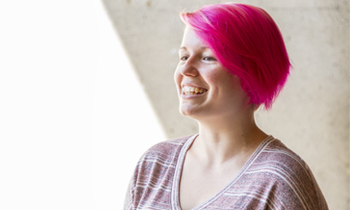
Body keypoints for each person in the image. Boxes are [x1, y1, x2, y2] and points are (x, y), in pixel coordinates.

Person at [124, 3, 328, 210]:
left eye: (207, 57)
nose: (185, 68)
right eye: (184, 56)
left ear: (251, 74)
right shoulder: (154, 164)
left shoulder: (280, 179)